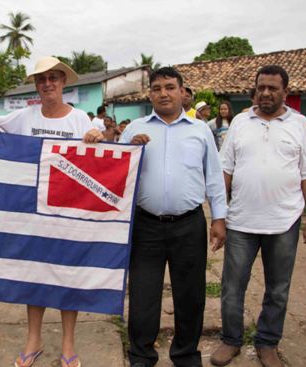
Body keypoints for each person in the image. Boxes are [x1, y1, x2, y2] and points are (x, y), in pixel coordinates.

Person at [211, 65, 306, 367]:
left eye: (273, 88)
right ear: (255, 89)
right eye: (261, 87)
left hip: (284, 222)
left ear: (285, 92)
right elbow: (225, 170)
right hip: (241, 222)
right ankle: (231, 340)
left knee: (278, 287)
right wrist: (218, 217)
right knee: (232, 286)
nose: (265, 92)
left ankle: (267, 342)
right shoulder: (239, 122)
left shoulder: (300, 124)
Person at [0, 56, 103, 367]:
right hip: (33, 211)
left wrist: (98, 138)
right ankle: (34, 339)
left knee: (68, 276)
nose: (47, 84)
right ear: (35, 85)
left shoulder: (82, 120)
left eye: (53, 78)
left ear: (63, 82)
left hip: (70, 212)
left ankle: (68, 343)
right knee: (35, 275)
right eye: (41, 79)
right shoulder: (24, 117)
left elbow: (102, 158)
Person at [119, 66, 227, 367]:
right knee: (143, 296)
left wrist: (219, 219)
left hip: (189, 224)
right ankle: (141, 356)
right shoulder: (135, 129)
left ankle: (186, 355)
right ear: (150, 94)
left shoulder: (200, 130)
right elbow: (115, 172)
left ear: (183, 92)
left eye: (170, 87)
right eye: (157, 88)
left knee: (190, 295)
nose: (163, 93)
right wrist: (129, 150)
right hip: (145, 225)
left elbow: (214, 177)